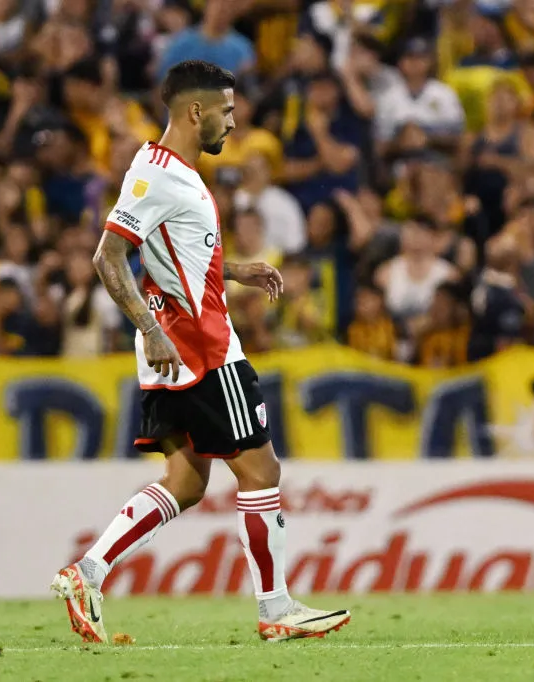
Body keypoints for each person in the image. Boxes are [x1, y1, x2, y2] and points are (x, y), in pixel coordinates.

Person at [49, 60, 351, 643]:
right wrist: (153, 329)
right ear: (196, 112)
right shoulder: (159, 175)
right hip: (203, 346)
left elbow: (173, 252)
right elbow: (108, 258)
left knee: (186, 483)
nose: (233, 124)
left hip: (173, 346)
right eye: (228, 112)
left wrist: (234, 270)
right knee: (261, 469)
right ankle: (276, 608)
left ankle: (87, 571)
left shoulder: (166, 170)